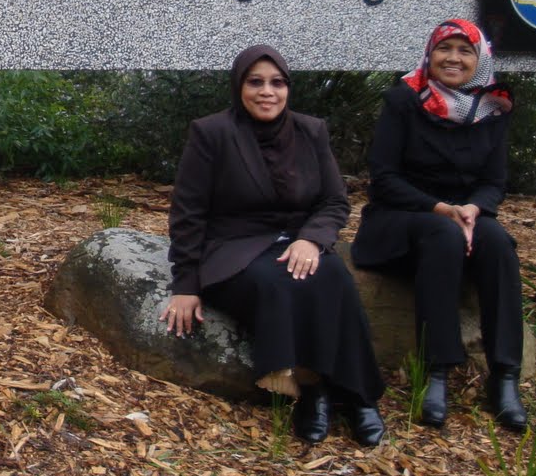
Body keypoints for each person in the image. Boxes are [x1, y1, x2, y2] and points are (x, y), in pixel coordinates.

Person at [161, 44, 386, 447]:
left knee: (333, 275)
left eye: (277, 83)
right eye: (256, 82)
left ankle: (358, 396)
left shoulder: (310, 130)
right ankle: (311, 390)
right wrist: (185, 285)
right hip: (232, 249)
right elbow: (188, 213)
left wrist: (312, 239)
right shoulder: (212, 133)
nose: (268, 92)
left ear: (288, 88)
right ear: (238, 87)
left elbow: (335, 201)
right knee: (279, 284)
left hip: (296, 241)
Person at [350, 18, 527, 431]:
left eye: (465, 51)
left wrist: (474, 210)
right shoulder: (404, 99)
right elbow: (385, 178)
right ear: (429, 55)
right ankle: (436, 372)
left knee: (499, 241)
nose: (453, 58)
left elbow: (494, 181)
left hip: (464, 218)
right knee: (442, 234)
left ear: (480, 59)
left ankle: (504, 376)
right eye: (444, 49)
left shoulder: (493, 108)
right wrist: (441, 209)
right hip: (402, 218)